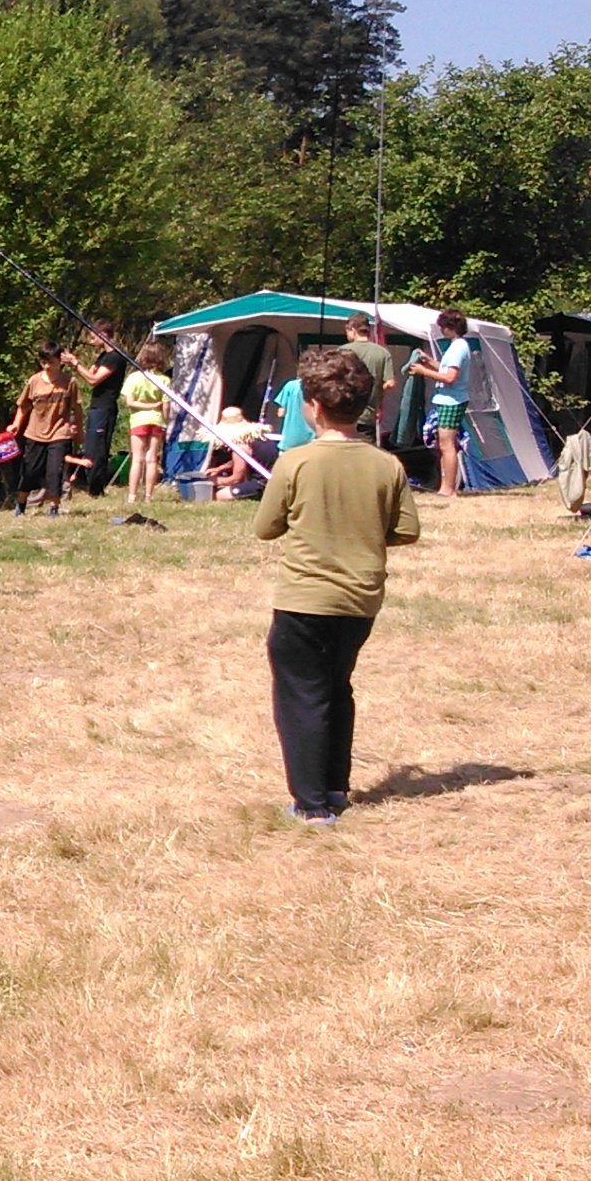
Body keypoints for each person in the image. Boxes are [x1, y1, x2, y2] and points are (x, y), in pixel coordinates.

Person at [252, 348, 420, 825]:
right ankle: (334, 787)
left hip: (304, 600)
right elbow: (406, 530)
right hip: (360, 601)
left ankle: (311, 805)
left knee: (301, 696)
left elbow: (265, 528)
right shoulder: (386, 465)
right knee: (335, 688)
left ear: (314, 406)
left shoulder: (296, 462)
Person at [0, 341, 83, 516]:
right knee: (30, 471)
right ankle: (21, 504)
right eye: (44, 362)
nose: (47, 366)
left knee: (54, 471)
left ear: (60, 361)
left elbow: (77, 408)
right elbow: (23, 406)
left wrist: (79, 431)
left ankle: (54, 507)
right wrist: (16, 424)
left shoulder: (69, 382)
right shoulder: (34, 381)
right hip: (34, 433)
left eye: (51, 362)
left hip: (59, 432)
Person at [406, 309, 474, 502]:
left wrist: (423, 371)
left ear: (451, 327)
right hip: (446, 400)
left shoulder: (459, 347)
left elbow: (450, 378)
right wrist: (428, 362)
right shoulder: (456, 346)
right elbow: (445, 369)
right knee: (443, 445)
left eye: (443, 327)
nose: (442, 330)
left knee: (447, 445)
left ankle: (449, 489)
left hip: (452, 401)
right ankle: (445, 486)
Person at [76, 325, 131, 496]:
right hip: (96, 406)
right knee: (91, 446)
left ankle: (96, 487)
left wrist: (75, 363)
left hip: (105, 407)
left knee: (98, 448)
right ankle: (91, 484)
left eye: (93, 337)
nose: (90, 341)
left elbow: (93, 379)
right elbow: (90, 373)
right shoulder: (103, 356)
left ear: (104, 335)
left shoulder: (115, 357)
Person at [121, 339, 174, 505]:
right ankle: (148, 496)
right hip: (157, 420)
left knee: (137, 459)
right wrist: (166, 420)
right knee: (152, 459)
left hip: (138, 420)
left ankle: (132, 496)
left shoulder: (134, 378)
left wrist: (146, 406)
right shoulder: (165, 380)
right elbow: (166, 406)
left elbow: (129, 402)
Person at [340, 311, 397, 438]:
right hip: (368, 415)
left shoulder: (342, 351)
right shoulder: (382, 353)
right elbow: (390, 383)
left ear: (353, 329)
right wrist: (378, 396)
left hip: (343, 415)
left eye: (347, 331)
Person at [270, 373, 316, 451]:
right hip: (311, 443)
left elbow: (281, 413)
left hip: (290, 442)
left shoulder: (290, 385)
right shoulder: (317, 388)